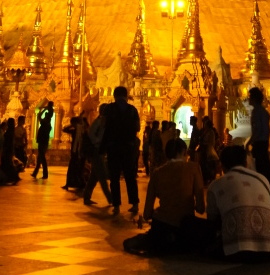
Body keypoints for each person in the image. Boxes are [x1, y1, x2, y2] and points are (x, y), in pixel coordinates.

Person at [124, 137, 205, 256]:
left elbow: (147, 214)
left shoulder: (157, 173)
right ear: (184, 152)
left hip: (161, 227)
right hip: (185, 228)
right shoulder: (193, 168)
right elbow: (200, 208)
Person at [206, 144, 270, 263]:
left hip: (235, 252)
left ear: (222, 165)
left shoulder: (216, 185)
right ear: (245, 162)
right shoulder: (263, 179)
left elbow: (211, 220)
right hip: (268, 252)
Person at [100, 86, 140, 216]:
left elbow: (104, 128)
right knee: (130, 177)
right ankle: (134, 204)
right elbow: (137, 128)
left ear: (114, 95)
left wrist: (103, 147)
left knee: (114, 178)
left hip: (113, 147)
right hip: (128, 147)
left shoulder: (109, 109)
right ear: (126, 95)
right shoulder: (132, 110)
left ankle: (116, 206)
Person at [248, 87, 270, 206]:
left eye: (250, 97)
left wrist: (250, 142)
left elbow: (257, 129)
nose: (248, 99)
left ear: (254, 98)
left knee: (263, 170)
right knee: (264, 169)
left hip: (259, 143)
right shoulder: (263, 111)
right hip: (263, 142)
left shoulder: (257, 111)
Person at [83, 104, 112, 205]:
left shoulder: (103, 122)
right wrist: (98, 142)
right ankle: (110, 198)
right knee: (102, 175)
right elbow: (91, 134)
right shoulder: (98, 121)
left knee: (94, 177)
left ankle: (86, 196)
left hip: (100, 151)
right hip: (97, 151)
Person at [32, 101, 54, 180]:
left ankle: (45, 174)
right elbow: (39, 116)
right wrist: (45, 109)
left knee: (42, 157)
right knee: (40, 157)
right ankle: (35, 173)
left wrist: (45, 109)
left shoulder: (46, 124)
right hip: (42, 141)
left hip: (43, 142)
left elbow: (40, 116)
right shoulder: (46, 123)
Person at [0, 117, 20, 184]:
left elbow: (8, 141)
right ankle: (10, 178)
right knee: (8, 163)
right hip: (10, 149)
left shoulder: (9, 132)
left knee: (8, 164)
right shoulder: (12, 131)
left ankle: (14, 177)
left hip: (7, 150)